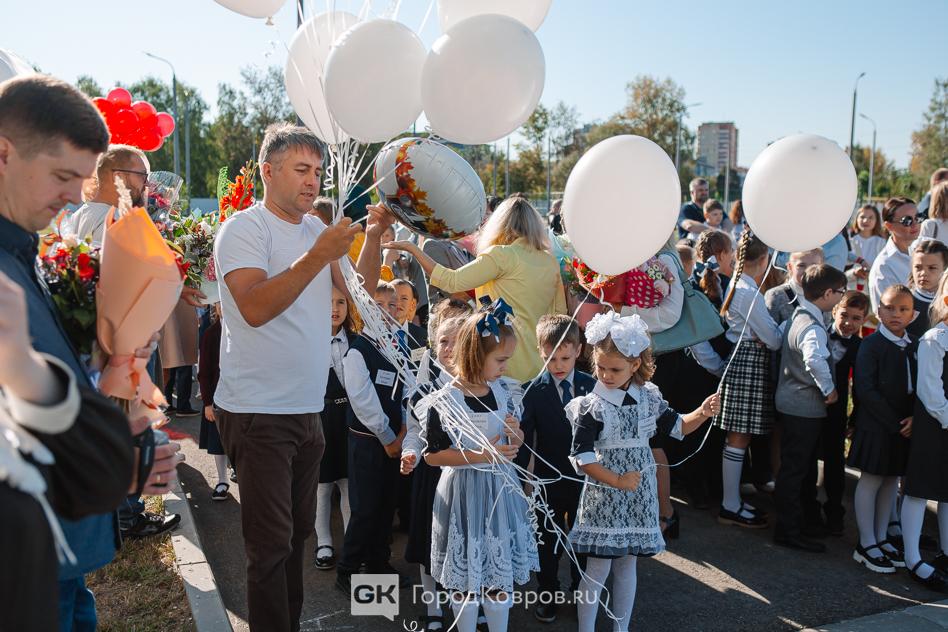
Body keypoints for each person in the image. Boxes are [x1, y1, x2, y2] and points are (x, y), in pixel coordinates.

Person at [0, 74, 176, 630]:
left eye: (82, 178)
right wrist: (111, 456)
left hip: (62, 540)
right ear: (3, 154)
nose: (76, 196)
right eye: (62, 176)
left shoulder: (25, 252)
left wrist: (104, 366)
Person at [213, 122, 391, 631]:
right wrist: (318, 255)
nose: (313, 181)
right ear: (268, 172)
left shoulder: (315, 231)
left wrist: (372, 236)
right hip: (257, 411)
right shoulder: (245, 229)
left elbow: (359, 297)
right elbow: (253, 307)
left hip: (305, 410)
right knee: (269, 547)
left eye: (317, 171)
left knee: (294, 540)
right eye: (301, 170)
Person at [569, 312, 720, 632]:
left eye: (615, 369)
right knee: (597, 569)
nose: (606, 375)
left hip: (638, 493)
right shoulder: (592, 405)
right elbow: (582, 457)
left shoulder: (648, 397)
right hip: (604, 493)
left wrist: (702, 412)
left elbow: (678, 426)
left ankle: (620, 628)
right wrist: (616, 480)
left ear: (635, 364)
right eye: (601, 367)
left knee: (627, 566)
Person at [424, 304, 537, 632]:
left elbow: (516, 440)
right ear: (476, 355)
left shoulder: (503, 392)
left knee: (497, 575)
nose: (505, 367)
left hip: (500, 494)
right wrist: (481, 454)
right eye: (500, 360)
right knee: (465, 579)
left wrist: (515, 435)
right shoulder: (446, 400)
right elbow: (433, 455)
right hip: (463, 493)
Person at [383, 195, 566, 384]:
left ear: (500, 224)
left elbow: (451, 281)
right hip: (542, 364)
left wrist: (414, 249)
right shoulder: (549, 261)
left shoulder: (502, 255)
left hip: (503, 361)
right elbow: (559, 315)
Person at [516, 315, 595, 624]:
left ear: (578, 351)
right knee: (547, 541)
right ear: (540, 352)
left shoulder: (592, 387)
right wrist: (521, 481)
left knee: (583, 539)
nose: (558, 365)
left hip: (586, 480)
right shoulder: (532, 391)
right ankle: (547, 592)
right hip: (547, 480)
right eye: (551, 358)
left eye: (565, 357)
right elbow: (525, 441)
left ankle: (580, 590)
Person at [336, 282, 409, 593]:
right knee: (365, 508)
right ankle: (348, 569)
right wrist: (389, 437)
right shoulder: (358, 351)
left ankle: (378, 562)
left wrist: (404, 429)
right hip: (369, 441)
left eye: (392, 305)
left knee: (385, 504)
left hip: (394, 440)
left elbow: (404, 389)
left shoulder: (395, 346)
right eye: (379, 305)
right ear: (365, 310)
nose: (388, 311)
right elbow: (363, 401)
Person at [773, 265, 847, 553]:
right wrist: (829, 389)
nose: (841, 297)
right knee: (795, 470)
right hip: (802, 407)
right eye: (840, 292)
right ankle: (788, 531)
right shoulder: (812, 326)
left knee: (797, 469)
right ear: (827, 293)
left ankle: (797, 523)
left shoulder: (800, 314)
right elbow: (814, 359)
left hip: (792, 403)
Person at [401, 314, 467, 632]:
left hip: (468, 478)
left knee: (465, 543)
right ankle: (433, 606)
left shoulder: (480, 387)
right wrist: (410, 453)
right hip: (432, 477)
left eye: (457, 342)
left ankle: (468, 603)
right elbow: (415, 432)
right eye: (443, 342)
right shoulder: (424, 390)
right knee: (431, 544)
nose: (449, 348)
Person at [715, 231, 782, 528]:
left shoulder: (739, 284)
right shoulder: (748, 291)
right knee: (739, 436)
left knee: (739, 436)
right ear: (764, 259)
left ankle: (732, 502)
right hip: (749, 362)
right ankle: (730, 504)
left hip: (743, 359)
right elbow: (773, 339)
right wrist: (782, 328)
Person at [849, 284, 917, 574]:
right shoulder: (871, 344)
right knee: (871, 479)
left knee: (891, 480)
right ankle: (865, 543)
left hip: (905, 426)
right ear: (878, 311)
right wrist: (894, 423)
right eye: (889, 308)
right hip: (877, 426)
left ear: (913, 314)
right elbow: (865, 389)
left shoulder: (915, 344)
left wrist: (914, 418)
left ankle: (881, 537)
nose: (895, 314)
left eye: (903, 309)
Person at [901, 271, 948, 590]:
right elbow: (930, 390)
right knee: (919, 490)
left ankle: (946, 551)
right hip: (934, 424)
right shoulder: (935, 339)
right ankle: (913, 558)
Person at [816, 290, 869, 535]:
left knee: (835, 462)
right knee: (807, 458)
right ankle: (808, 507)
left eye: (856, 318)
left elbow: (859, 387)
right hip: (811, 406)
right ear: (835, 311)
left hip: (837, 412)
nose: (849, 323)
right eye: (845, 315)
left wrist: (855, 418)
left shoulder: (860, 347)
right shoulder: (819, 334)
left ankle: (834, 511)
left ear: (864, 320)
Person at [313, 285, 357, 571]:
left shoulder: (356, 341)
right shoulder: (309, 341)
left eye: (341, 302)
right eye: (329, 302)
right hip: (321, 418)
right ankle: (324, 541)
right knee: (322, 486)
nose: (335, 308)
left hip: (350, 417)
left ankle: (352, 542)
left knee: (348, 483)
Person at [61, 144, 149, 247]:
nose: (147, 183)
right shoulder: (116, 222)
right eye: (141, 175)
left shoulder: (78, 216)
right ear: (118, 178)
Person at [869, 197, 922, 314]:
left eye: (918, 217)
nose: (915, 224)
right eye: (907, 221)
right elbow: (884, 314)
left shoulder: (928, 248)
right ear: (889, 226)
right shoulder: (883, 266)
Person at [198, 303, 229, 501]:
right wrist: (207, 402)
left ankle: (237, 471)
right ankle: (222, 479)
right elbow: (204, 371)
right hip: (218, 396)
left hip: (243, 397)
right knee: (218, 441)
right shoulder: (211, 333)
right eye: (219, 303)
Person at [765, 249, 826, 325]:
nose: (808, 271)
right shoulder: (776, 295)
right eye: (801, 265)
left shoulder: (826, 295)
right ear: (790, 267)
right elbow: (768, 330)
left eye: (814, 266)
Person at [907, 239, 948, 338]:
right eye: (918, 267)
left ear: (945, 268)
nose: (923, 273)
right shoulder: (900, 299)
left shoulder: (946, 302)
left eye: (932, 268)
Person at [850, 204, 887, 269]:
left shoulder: (881, 242)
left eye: (871, 217)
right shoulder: (850, 240)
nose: (866, 220)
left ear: (876, 220)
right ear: (857, 219)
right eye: (862, 217)